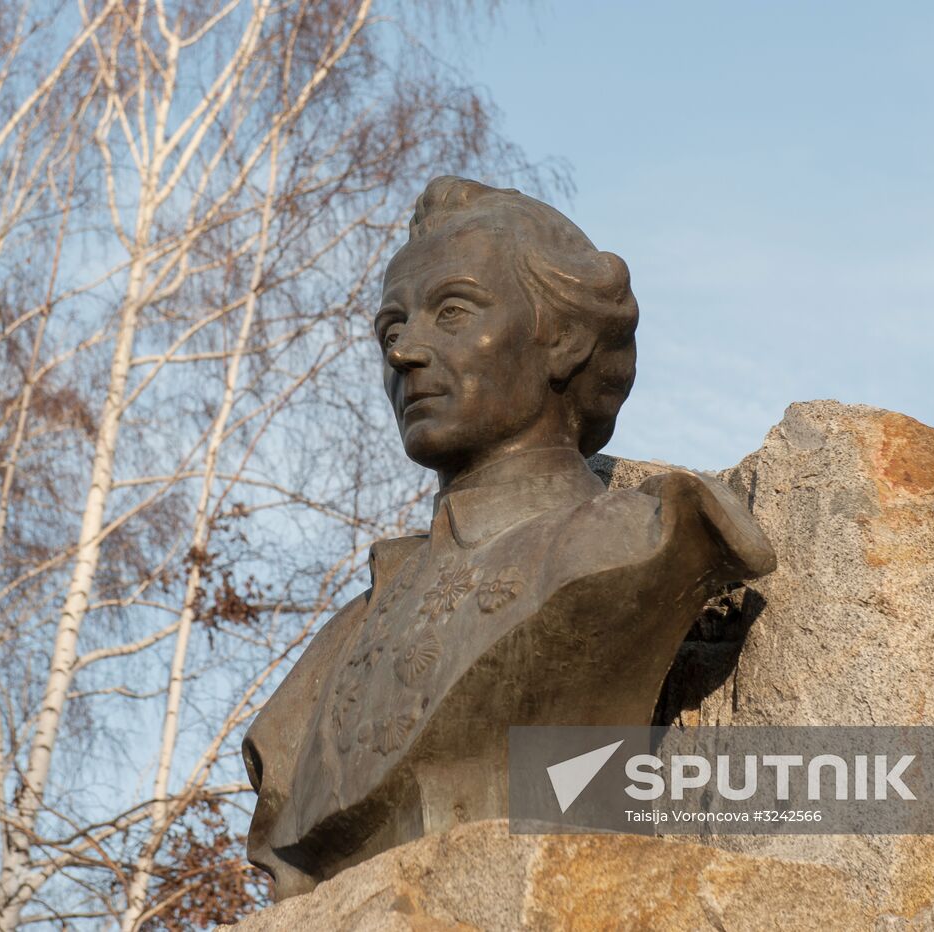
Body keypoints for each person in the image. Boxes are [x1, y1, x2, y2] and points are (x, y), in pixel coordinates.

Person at [242, 176, 776, 897]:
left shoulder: (639, 541)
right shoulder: (338, 645)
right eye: (390, 330)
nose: (403, 353)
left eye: (452, 312)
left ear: (564, 338)